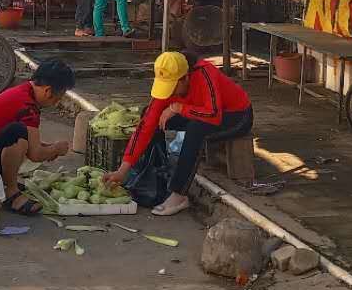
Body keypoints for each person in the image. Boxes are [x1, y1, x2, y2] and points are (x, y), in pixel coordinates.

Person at [104, 51, 252, 216]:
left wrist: (179, 108)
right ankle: (155, 173)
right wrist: (123, 169)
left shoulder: (205, 73)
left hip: (237, 116)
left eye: (173, 87)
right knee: (149, 114)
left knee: (196, 129)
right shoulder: (168, 88)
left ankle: (179, 194)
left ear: (186, 77)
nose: (169, 93)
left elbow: (213, 114)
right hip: (198, 114)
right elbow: (145, 126)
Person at [0, 59, 75, 215]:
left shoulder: (23, 90)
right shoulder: (28, 107)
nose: (57, 102)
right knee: (18, 133)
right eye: (58, 98)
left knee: (20, 134)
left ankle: (5, 181)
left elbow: (33, 144)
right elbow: (35, 154)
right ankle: (11, 193)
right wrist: (56, 149)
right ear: (48, 91)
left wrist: (48, 148)